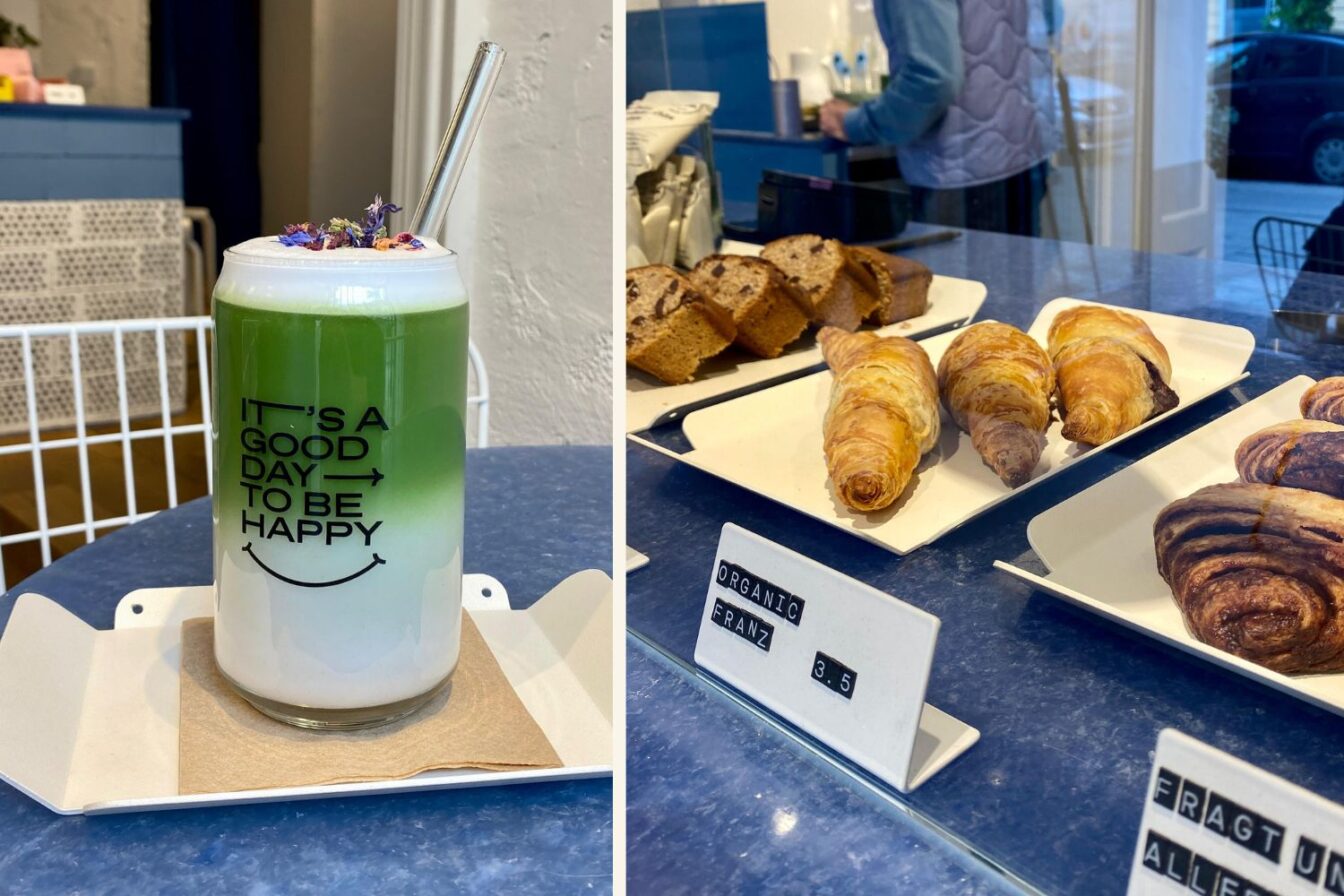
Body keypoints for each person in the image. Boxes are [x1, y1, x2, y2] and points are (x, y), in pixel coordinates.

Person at [820, 0, 1060, 237]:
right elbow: (1051, 20)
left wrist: (855, 123)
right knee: (1015, 273)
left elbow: (931, 80)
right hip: (1027, 149)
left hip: (960, 171)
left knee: (958, 275)